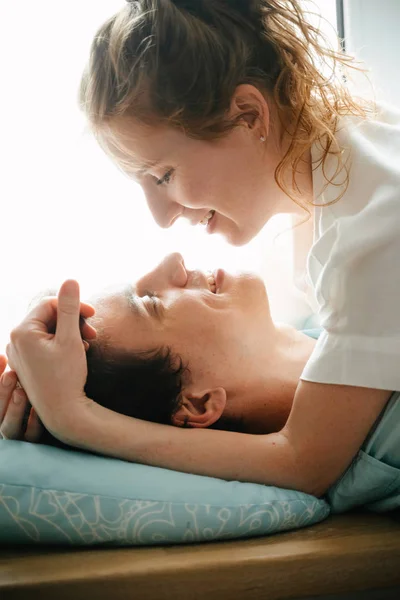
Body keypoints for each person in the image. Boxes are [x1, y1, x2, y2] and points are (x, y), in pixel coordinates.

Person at [3, 0, 400, 498]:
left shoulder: (376, 224)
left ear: (249, 115)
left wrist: (73, 417)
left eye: (163, 175)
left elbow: (305, 462)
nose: (163, 220)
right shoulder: (338, 187)